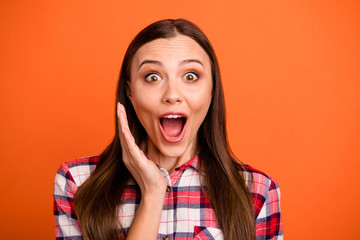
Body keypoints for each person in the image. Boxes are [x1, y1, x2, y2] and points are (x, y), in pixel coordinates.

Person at [53, 19, 283, 240]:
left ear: (212, 90)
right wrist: (153, 193)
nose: (172, 94)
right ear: (130, 90)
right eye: (153, 77)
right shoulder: (78, 182)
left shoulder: (257, 191)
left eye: (191, 76)